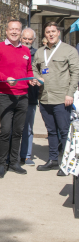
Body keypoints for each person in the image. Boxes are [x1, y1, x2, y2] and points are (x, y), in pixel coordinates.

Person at [0, 19, 36, 178]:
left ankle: (14, 162)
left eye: (17, 29)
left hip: (23, 95)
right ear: (6, 31)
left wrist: (31, 78)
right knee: (5, 131)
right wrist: (5, 78)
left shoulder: (26, 50)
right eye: (12, 29)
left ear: (21, 32)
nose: (15, 32)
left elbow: (28, 70)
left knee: (18, 131)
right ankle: (2, 164)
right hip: (5, 95)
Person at [32, 22, 79, 175]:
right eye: (47, 32)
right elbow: (33, 68)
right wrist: (38, 77)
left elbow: (75, 73)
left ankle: (66, 164)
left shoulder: (69, 50)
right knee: (51, 131)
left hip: (61, 98)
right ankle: (53, 160)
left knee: (64, 131)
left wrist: (70, 94)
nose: (51, 34)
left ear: (58, 32)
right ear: (44, 34)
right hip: (45, 98)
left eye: (53, 31)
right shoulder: (40, 52)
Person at [20, 27, 39, 166]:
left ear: (34, 40)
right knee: (14, 127)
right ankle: (11, 155)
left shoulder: (37, 54)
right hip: (16, 94)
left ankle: (26, 155)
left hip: (31, 96)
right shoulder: (16, 51)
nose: (27, 41)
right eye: (25, 38)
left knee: (28, 128)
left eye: (29, 39)